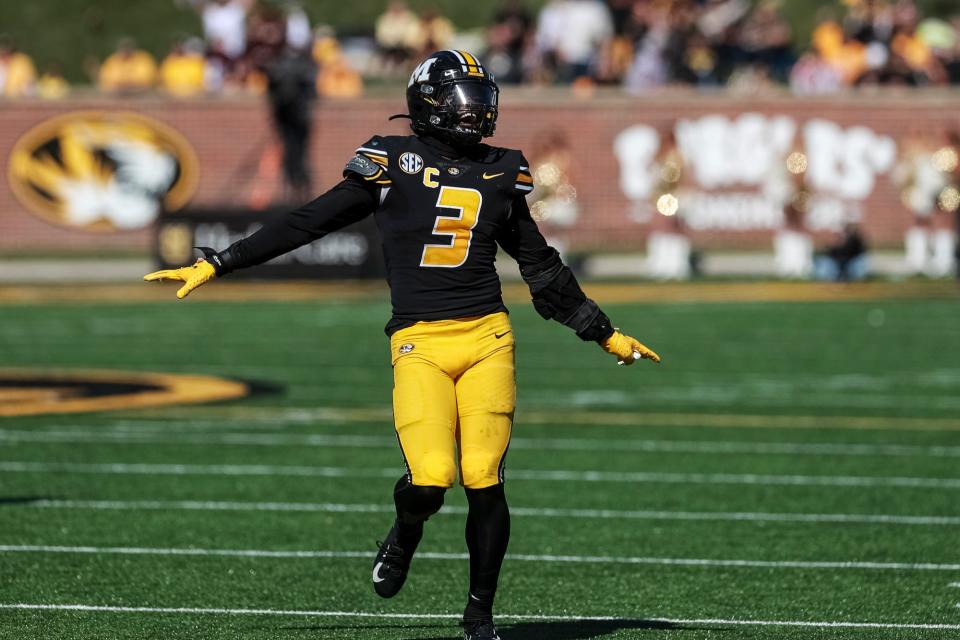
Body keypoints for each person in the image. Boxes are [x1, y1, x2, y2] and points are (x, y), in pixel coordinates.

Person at [144, 50, 660, 640]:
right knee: (431, 478)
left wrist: (603, 332)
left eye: (479, 95)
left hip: (488, 336)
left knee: (484, 475)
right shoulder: (392, 161)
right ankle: (405, 530)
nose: (476, 108)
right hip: (420, 340)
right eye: (462, 97)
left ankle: (479, 614)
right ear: (428, 103)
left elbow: (540, 267)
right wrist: (219, 262)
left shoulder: (501, 170)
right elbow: (306, 222)